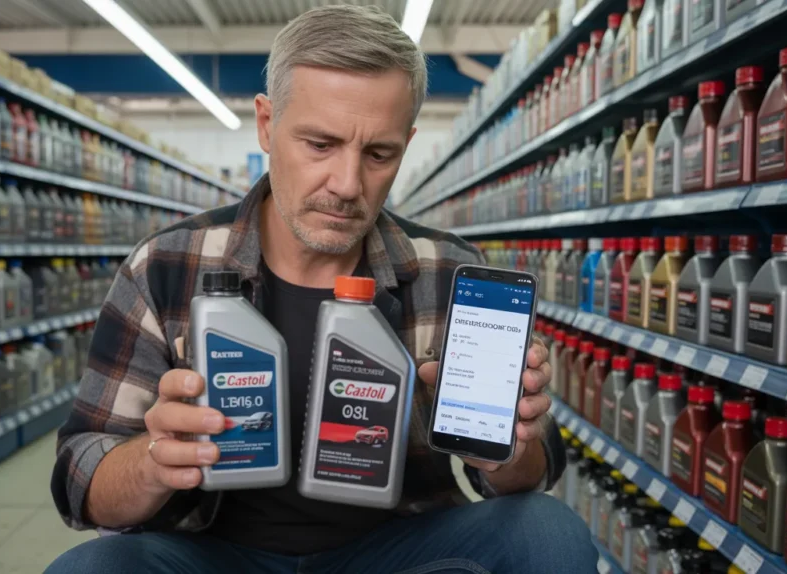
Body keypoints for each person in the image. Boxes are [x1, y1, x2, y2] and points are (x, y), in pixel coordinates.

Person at [47, 5, 596, 573]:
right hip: (212, 554)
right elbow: (81, 476)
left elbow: (531, 476)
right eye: (319, 144)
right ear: (267, 124)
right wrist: (154, 461)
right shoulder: (166, 265)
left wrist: (510, 440)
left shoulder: (448, 271)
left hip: (397, 548)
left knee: (546, 531)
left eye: (378, 153)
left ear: (405, 145)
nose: (347, 184)